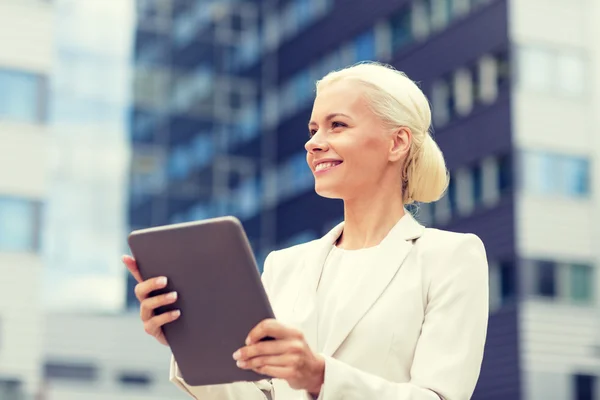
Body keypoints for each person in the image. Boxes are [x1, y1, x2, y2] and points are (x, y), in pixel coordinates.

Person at [123, 61, 489, 400]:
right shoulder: (285, 266)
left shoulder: (449, 258)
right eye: (313, 129)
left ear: (397, 142)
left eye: (338, 125)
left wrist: (319, 376)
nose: (312, 143)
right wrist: (188, 339)